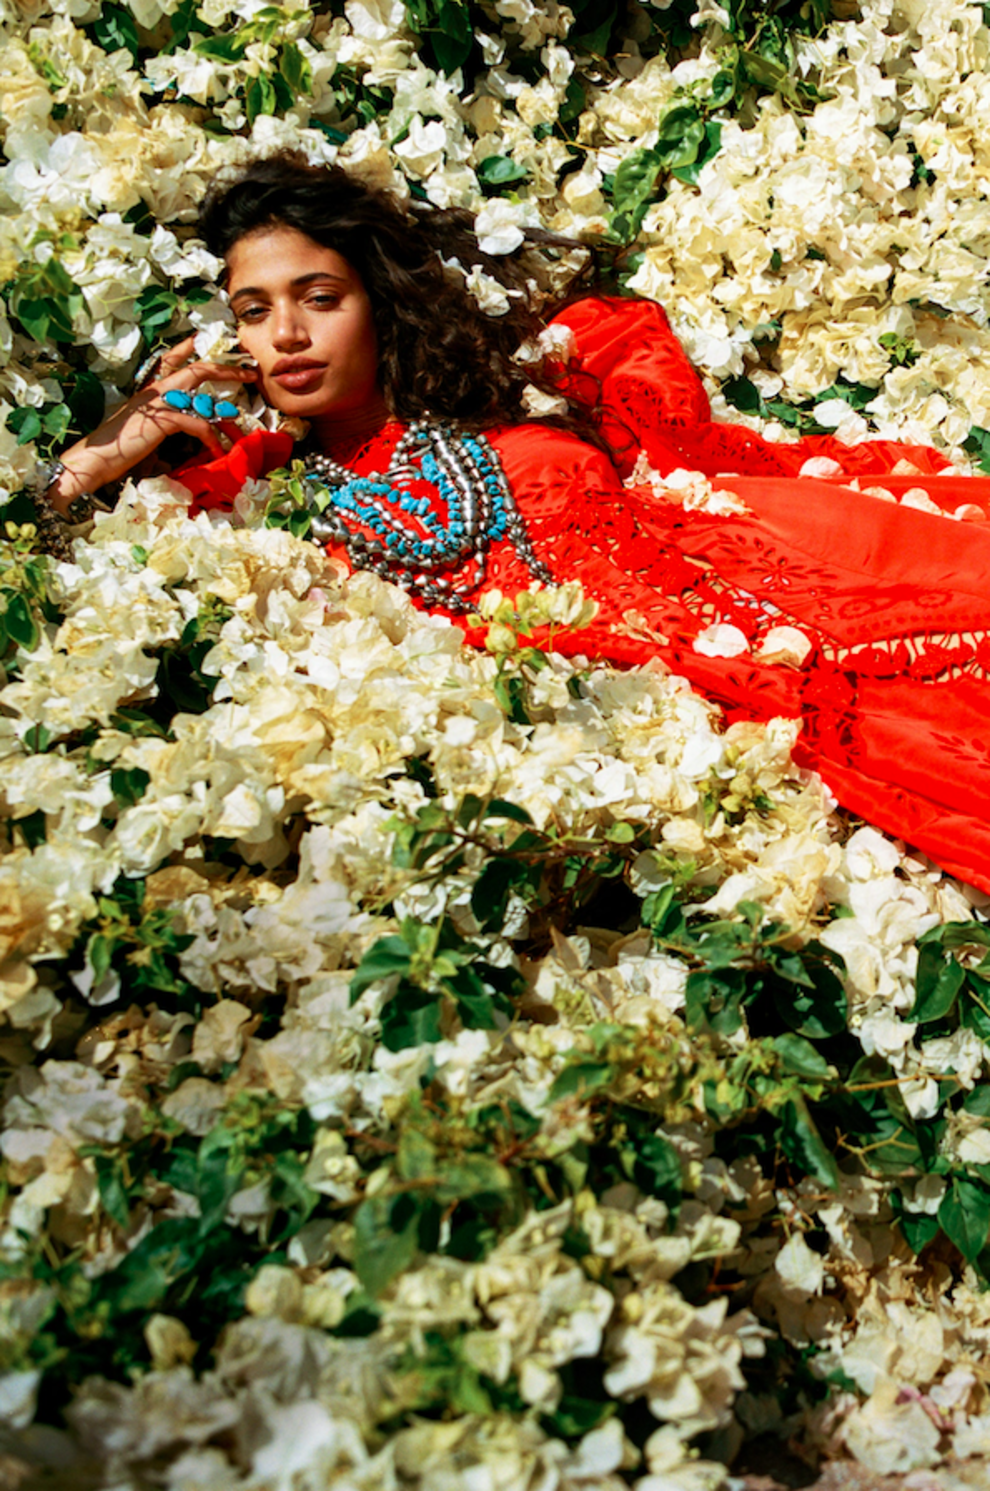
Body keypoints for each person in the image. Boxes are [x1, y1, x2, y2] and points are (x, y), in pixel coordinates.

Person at [38, 154, 990, 893]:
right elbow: (51, 550)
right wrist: (111, 447)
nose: (286, 334)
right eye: (254, 312)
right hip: (586, 757)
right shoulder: (254, 489)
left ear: (377, 303)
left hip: (748, 635)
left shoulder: (512, 410)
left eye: (319, 299)